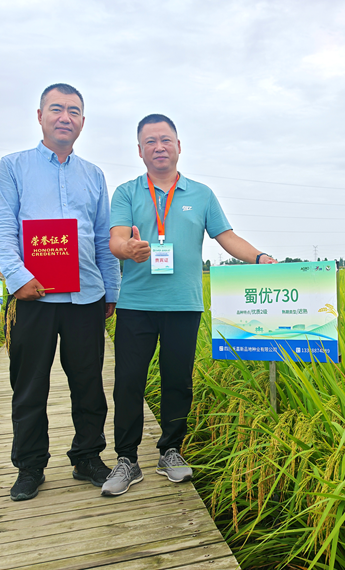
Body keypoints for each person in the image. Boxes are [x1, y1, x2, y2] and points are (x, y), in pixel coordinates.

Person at [103, 114, 275, 496]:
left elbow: (226, 236)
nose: (159, 147)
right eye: (150, 141)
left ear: (179, 146)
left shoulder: (201, 194)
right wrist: (128, 248)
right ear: (139, 151)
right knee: (128, 382)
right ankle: (126, 459)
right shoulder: (127, 192)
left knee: (178, 380)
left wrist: (260, 257)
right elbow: (115, 240)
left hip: (183, 304)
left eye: (165, 139)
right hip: (137, 305)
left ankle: (170, 450)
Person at [0, 83, 121, 501]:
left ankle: (87, 457)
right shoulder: (12, 167)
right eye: (57, 109)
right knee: (29, 386)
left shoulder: (93, 174)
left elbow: (102, 237)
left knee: (89, 384)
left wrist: (111, 289)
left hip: (86, 298)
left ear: (82, 121)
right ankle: (30, 466)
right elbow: (4, 227)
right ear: (40, 116)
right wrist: (17, 278)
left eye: (74, 111)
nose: (65, 117)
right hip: (34, 298)